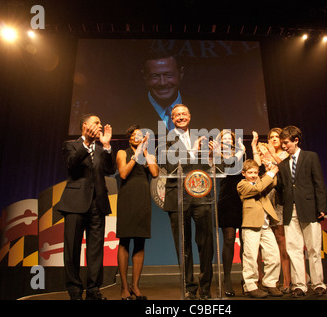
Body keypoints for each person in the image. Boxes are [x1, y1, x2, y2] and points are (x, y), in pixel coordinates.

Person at [57, 114, 115, 300]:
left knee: (96, 249)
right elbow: (71, 164)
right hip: (75, 203)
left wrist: (106, 146)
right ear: (85, 125)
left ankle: (93, 289)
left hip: (98, 204)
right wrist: (86, 143)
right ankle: (74, 290)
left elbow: (109, 169)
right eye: (96, 122)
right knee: (72, 248)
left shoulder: (99, 149)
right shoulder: (71, 145)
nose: (100, 125)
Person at [162, 104, 214, 300]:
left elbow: (208, 169)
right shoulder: (166, 140)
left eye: (184, 114)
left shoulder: (200, 138)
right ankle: (190, 289)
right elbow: (170, 165)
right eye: (177, 115)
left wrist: (211, 155)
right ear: (172, 120)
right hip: (178, 197)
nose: (181, 117)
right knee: (183, 246)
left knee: (206, 243)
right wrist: (192, 151)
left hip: (201, 196)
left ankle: (206, 288)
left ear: (190, 117)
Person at [277, 125, 327, 298]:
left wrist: (322, 207)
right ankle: (299, 285)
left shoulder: (310, 157)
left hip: (309, 208)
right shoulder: (283, 164)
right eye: (283, 143)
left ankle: (318, 283)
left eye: (286, 143)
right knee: (293, 248)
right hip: (290, 210)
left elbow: (318, 183)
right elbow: (283, 188)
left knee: (313, 247)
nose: (284, 146)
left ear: (296, 140)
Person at [116, 125, 159, 300]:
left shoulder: (149, 153)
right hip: (127, 197)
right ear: (129, 138)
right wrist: (137, 154)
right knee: (125, 241)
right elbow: (124, 174)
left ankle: (135, 286)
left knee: (140, 242)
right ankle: (124, 287)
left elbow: (155, 173)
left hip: (142, 198)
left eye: (140, 135)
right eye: (133, 135)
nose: (137, 137)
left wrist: (146, 153)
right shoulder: (122, 152)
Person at [237, 159, 282, 298]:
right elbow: (256, 189)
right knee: (250, 257)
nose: (253, 175)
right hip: (251, 224)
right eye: (250, 172)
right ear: (243, 173)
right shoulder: (242, 185)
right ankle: (250, 285)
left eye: (256, 172)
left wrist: (270, 170)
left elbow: (272, 183)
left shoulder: (260, 182)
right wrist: (269, 174)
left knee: (274, 255)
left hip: (265, 224)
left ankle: (270, 283)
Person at [257, 128, 291, 294]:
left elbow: (284, 169)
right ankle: (271, 280)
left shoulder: (285, 154)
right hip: (267, 195)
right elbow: (257, 165)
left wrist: (271, 152)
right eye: (271, 137)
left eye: (277, 137)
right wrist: (256, 147)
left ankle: (287, 280)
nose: (274, 139)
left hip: (280, 196)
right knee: (270, 241)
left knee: (282, 240)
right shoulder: (266, 153)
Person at [214, 130, 245, 297]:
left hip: (242, 199)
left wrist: (241, 151)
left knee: (246, 241)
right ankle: (227, 279)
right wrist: (239, 151)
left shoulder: (241, 153)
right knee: (229, 239)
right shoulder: (217, 155)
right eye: (224, 138)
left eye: (229, 138)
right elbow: (229, 165)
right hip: (226, 199)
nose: (227, 140)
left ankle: (246, 279)